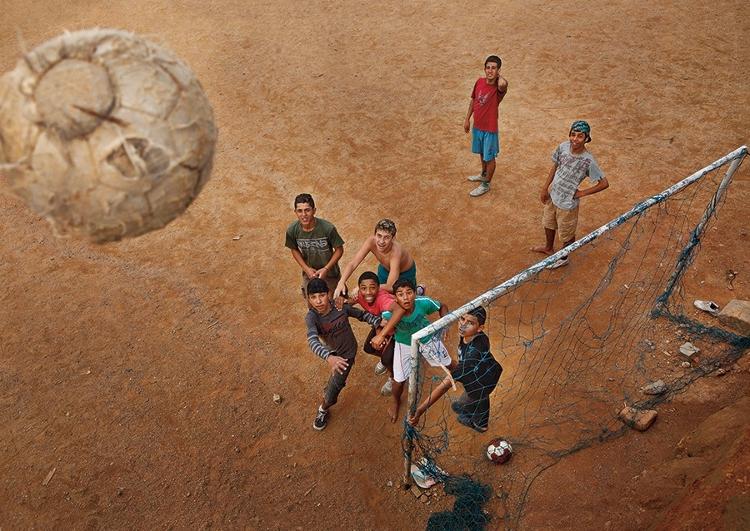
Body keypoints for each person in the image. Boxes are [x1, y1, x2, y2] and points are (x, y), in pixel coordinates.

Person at [408, 307, 502, 433]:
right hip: (484, 372)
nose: (463, 325)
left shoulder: (473, 355)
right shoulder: (471, 335)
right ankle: (467, 406)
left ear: (480, 328)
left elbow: (443, 387)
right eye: (462, 319)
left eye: (470, 323)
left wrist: (420, 410)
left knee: (478, 397)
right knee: (472, 398)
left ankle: (480, 424)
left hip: (483, 382)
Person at [304, 278, 382, 431]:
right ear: (309, 299)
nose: (318, 301)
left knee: (335, 384)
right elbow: (312, 340)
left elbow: (361, 315)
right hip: (338, 358)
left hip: (348, 352)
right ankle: (323, 409)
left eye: (322, 295)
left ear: (329, 294)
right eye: (313, 297)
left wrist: (377, 321)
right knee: (333, 390)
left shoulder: (340, 306)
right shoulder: (312, 317)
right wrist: (329, 357)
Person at [531, 120, 609, 269]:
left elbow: (604, 183)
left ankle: (563, 257)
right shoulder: (563, 147)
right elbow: (555, 166)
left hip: (568, 204)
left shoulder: (588, 160)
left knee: (567, 233)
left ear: (587, 139)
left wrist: (581, 193)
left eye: (580, 136)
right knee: (549, 223)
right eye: (573, 134)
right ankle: (548, 248)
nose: (575, 139)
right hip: (553, 196)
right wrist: (545, 188)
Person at [371, 279, 452, 422]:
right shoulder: (388, 314)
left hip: (427, 337)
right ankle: (396, 401)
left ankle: (462, 372)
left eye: (409, 293)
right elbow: (381, 325)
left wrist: (445, 323)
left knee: (449, 364)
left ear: (415, 294)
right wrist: (380, 336)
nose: (406, 297)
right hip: (405, 343)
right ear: (395, 298)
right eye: (400, 294)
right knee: (399, 379)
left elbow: (442, 306)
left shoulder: (423, 302)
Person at [346, 271, 405, 396]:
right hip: (382, 324)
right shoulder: (360, 296)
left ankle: (393, 376)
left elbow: (399, 311)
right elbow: (347, 303)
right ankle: (390, 360)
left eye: (372, 288)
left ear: (378, 288)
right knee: (368, 348)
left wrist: (381, 335)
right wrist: (342, 299)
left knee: (386, 358)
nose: (368, 292)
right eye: (363, 288)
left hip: (399, 328)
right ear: (359, 289)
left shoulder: (383, 299)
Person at [333, 219, 423, 298]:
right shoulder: (371, 242)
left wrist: (362, 288)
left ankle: (419, 291)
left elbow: (391, 287)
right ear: (374, 234)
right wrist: (341, 282)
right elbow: (353, 264)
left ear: (393, 238)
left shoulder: (396, 253)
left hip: (405, 273)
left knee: (407, 298)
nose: (381, 241)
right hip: (385, 269)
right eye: (379, 235)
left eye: (386, 237)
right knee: (379, 295)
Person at [464, 55, 509, 197]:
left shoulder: (498, 88)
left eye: (494, 68)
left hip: (490, 129)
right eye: (488, 68)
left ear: (498, 70)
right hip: (478, 127)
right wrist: (467, 119)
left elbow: (503, 84)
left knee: (489, 158)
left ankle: (486, 184)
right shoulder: (479, 82)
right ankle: (483, 174)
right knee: (482, 153)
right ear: (484, 69)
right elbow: (473, 101)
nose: (490, 71)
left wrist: (498, 77)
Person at [285, 193, 344, 296]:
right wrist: (306, 269)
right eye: (300, 211)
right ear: (295, 212)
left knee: (334, 304)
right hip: (310, 275)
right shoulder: (292, 230)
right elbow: (293, 249)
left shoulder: (327, 228)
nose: (304, 215)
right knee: (313, 306)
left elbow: (339, 250)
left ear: (314, 211)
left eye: (307, 210)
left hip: (330, 274)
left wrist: (326, 268)